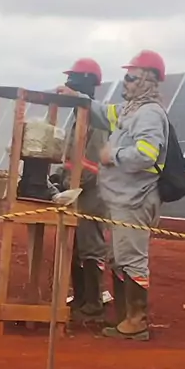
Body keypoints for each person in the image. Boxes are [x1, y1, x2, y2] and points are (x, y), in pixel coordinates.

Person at [88, 50, 169, 341]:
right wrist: (78, 98)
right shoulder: (130, 109)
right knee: (119, 258)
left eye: (131, 77)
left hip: (135, 200)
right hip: (122, 199)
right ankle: (125, 318)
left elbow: (148, 154)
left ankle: (136, 321)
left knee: (132, 259)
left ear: (147, 80)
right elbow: (103, 113)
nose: (126, 82)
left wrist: (113, 155)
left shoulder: (149, 114)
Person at [49, 58, 108, 321]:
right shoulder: (79, 118)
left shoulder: (96, 121)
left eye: (72, 82)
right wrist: (58, 177)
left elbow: (91, 165)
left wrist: (68, 183)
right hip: (76, 193)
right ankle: (82, 299)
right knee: (75, 247)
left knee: (90, 247)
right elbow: (71, 159)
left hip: (91, 196)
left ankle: (93, 304)